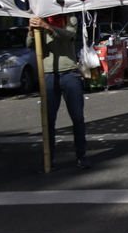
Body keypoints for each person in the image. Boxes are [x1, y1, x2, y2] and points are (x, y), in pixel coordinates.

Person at [30, 14, 90, 170]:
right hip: (49, 74)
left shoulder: (70, 19)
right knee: (48, 120)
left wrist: (47, 26)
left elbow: (67, 35)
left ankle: (81, 156)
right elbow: (30, 44)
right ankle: (48, 159)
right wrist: (31, 29)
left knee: (77, 117)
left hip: (70, 73)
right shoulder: (40, 20)